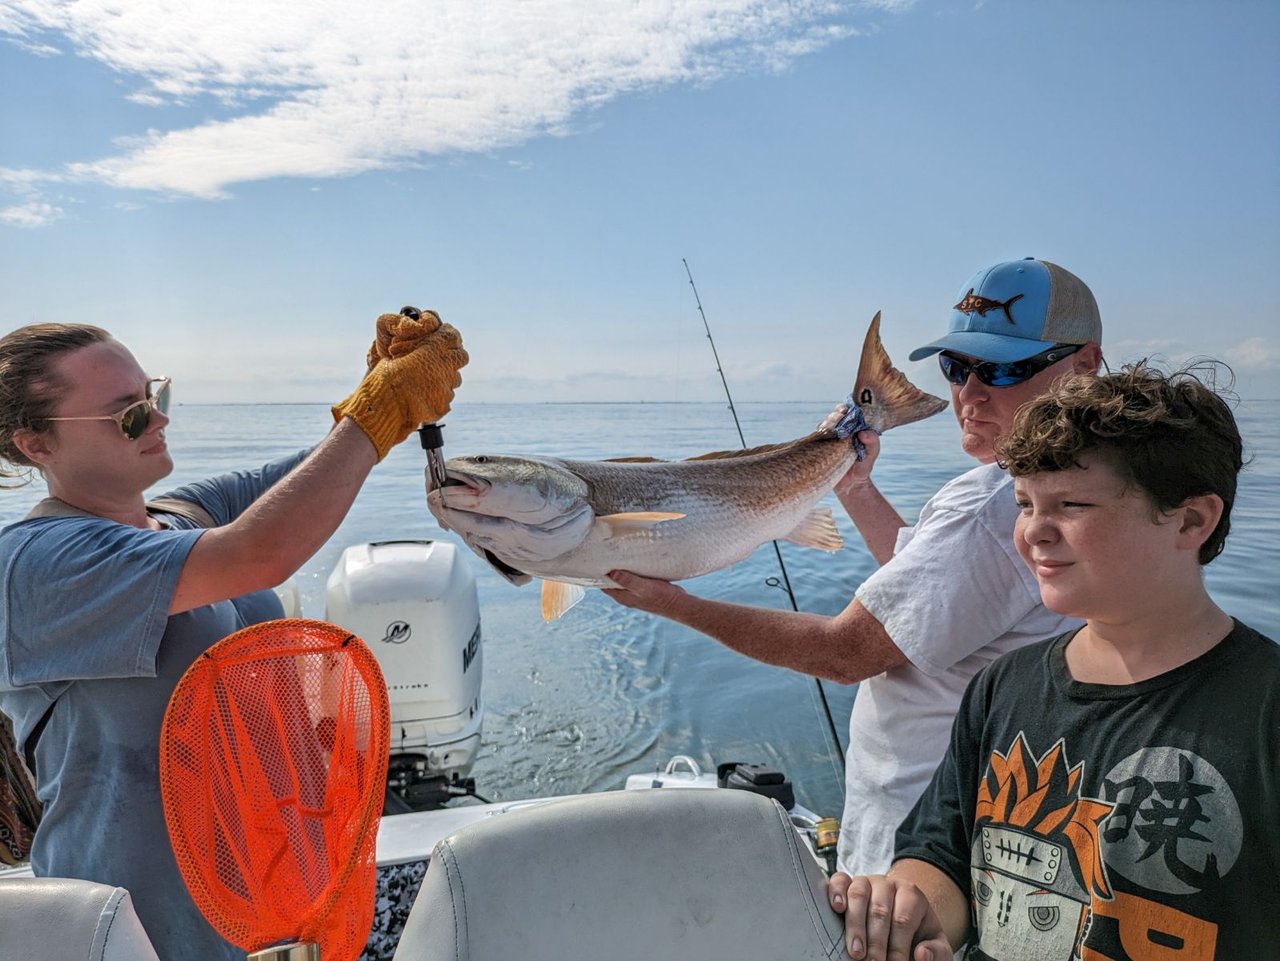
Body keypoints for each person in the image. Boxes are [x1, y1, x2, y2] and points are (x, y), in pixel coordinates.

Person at [605, 258, 1103, 875]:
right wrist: (854, 487)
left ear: (1084, 366)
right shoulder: (1079, 488)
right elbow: (929, 593)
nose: (969, 394)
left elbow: (844, 654)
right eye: (957, 366)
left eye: (1003, 368)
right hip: (993, 824)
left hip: (916, 846)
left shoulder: (991, 506)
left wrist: (673, 603)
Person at [0, 307, 467, 961]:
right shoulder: (39, 564)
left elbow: (311, 478)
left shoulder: (180, 514)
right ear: (35, 444)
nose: (158, 419)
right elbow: (260, 550)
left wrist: (378, 388)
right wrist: (380, 410)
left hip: (278, 917)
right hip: (141, 938)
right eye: (128, 414)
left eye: (155, 394)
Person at [828, 361, 1279, 961]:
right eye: (1024, 504)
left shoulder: (1264, 710)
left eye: (1071, 505)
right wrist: (913, 912)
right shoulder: (1002, 685)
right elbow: (941, 851)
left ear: (1193, 520)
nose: (1034, 533)